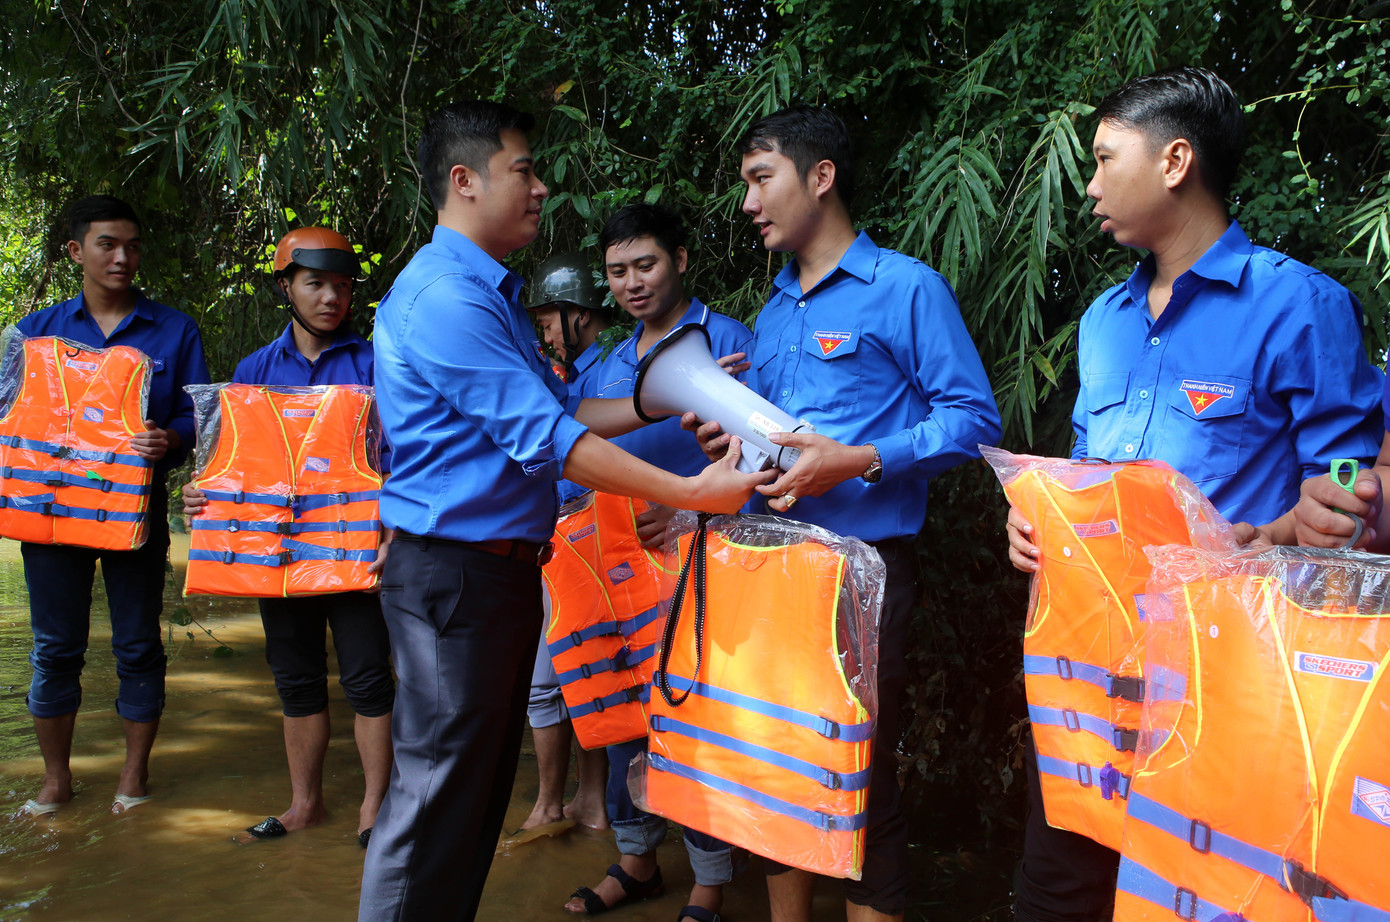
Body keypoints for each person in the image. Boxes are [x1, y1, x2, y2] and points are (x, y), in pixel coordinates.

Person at [356, 100, 771, 922]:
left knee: (468, 805)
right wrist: (691, 493)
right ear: (464, 180)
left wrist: (659, 397)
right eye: (525, 171)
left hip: (494, 574)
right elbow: (544, 438)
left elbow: (568, 411)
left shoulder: (491, 295)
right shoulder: (445, 296)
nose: (542, 188)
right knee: (434, 801)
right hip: (454, 573)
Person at [1003, 67, 1384, 922]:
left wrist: (1313, 514)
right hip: (1088, 672)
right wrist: (1036, 520)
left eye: (1104, 160)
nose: (1090, 184)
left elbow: (1354, 476)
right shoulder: (1104, 320)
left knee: (1194, 894)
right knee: (1057, 890)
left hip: (1229, 685)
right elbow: (1082, 464)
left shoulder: (1301, 306)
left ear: (1175, 160)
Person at [688, 105, 1003, 922]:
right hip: (769, 567)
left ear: (820, 177)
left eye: (762, 180)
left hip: (862, 574)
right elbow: (781, 446)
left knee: (861, 771)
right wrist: (726, 426)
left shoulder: (905, 289)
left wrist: (859, 459)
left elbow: (972, 422)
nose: (748, 204)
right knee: (775, 759)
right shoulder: (776, 311)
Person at [564, 202, 754, 922]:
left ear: (679, 258)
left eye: (645, 264)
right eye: (617, 272)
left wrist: (684, 511)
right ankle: (637, 859)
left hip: (704, 561)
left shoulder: (728, 340)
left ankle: (710, 883)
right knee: (621, 714)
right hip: (617, 573)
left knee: (692, 717)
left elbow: (761, 461)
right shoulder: (612, 362)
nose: (632, 283)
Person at [181, 226, 395, 847]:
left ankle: (374, 809)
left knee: (367, 679)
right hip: (276, 552)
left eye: (342, 285)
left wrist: (395, 534)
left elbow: (405, 458)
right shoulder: (253, 370)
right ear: (286, 287)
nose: (331, 296)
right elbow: (231, 463)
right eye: (315, 283)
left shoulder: (379, 364)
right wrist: (201, 495)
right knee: (295, 679)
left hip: (356, 553)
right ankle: (305, 805)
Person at [16, 194, 211, 816]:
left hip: (136, 515)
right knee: (55, 647)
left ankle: (134, 777)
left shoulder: (175, 329)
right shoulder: (34, 333)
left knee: (136, 644)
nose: (122, 257)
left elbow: (197, 417)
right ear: (76, 251)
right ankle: (56, 781)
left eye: (131, 245)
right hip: (48, 518)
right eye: (107, 244)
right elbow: (7, 419)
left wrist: (171, 437)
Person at [520, 251, 613, 832]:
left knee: (546, 683)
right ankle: (591, 803)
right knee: (588, 672)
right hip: (583, 542)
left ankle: (551, 804)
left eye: (549, 320)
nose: (545, 332)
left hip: (581, 543)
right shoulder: (585, 372)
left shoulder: (601, 377)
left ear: (577, 314)